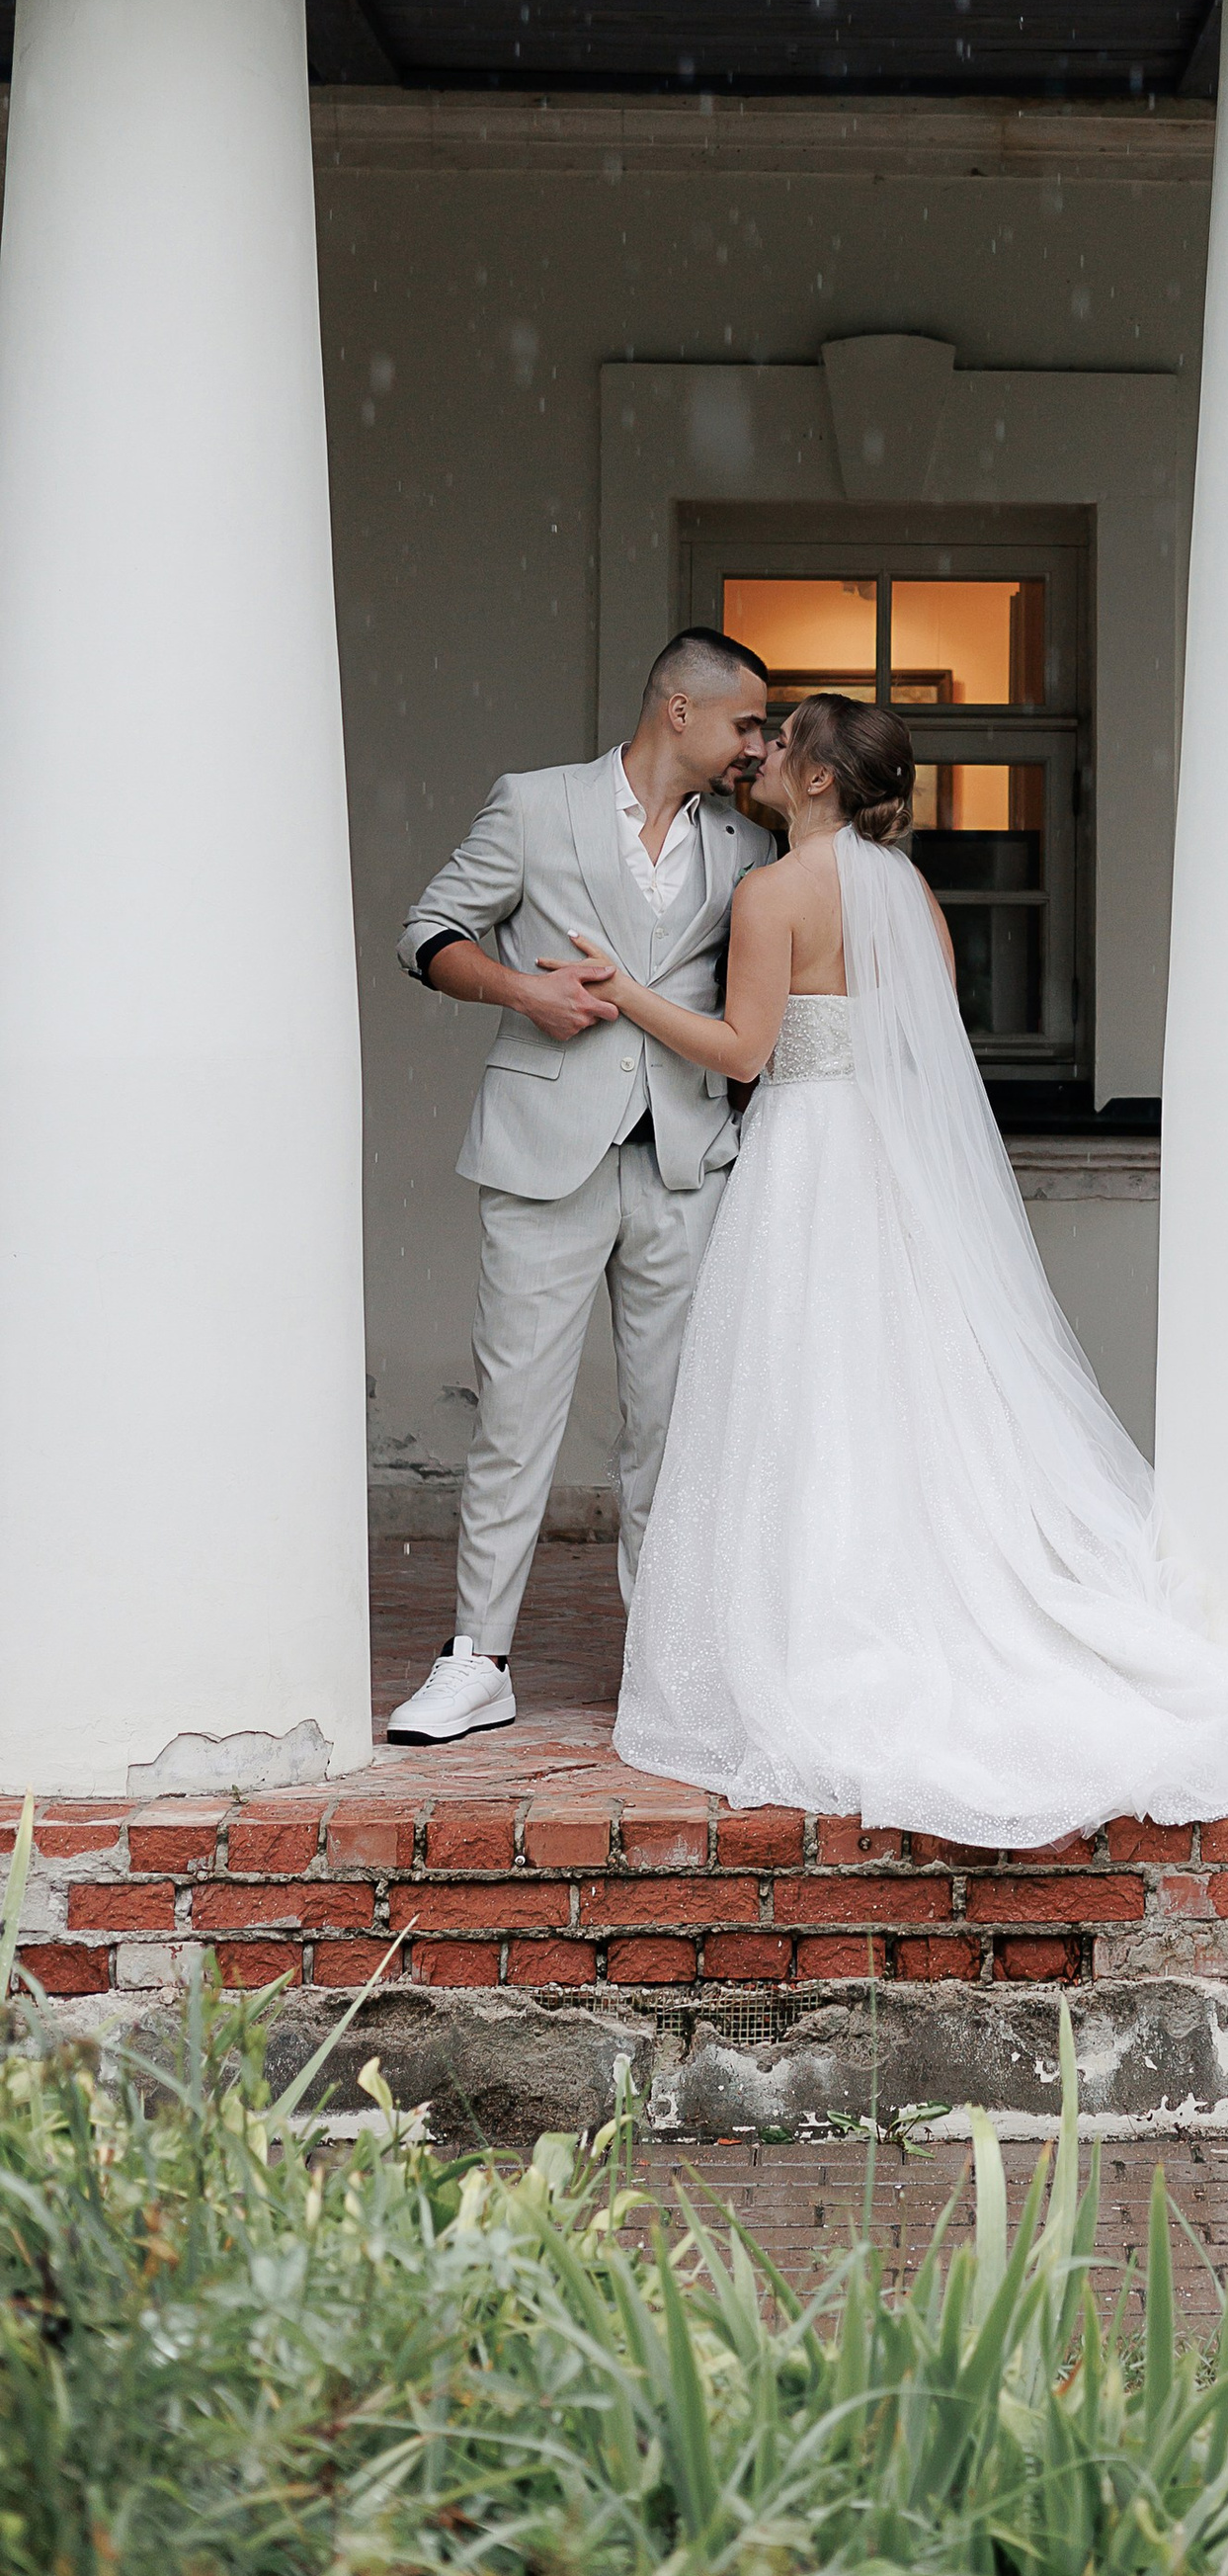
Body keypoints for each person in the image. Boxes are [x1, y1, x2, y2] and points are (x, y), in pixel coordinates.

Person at [591, 693, 1228, 1848]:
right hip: (894, 1165)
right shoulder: (904, 891)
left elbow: (746, 1052)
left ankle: (824, 1620)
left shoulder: (771, 892)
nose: (759, 752)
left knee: (807, 1393)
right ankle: (937, 1588)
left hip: (807, 1154)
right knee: (912, 1385)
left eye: (782, 739)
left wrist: (626, 991)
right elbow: (921, 1038)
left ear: (815, 781)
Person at [385, 630, 778, 1745]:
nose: (759, 743)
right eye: (747, 722)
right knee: (515, 1417)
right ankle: (477, 1662)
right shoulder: (534, 804)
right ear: (681, 711)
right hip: (542, 1149)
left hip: (684, 1159)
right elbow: (426, 932)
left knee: (672, 1429)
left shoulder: (747, 844)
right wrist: (523, 992)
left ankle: (667, 1665)